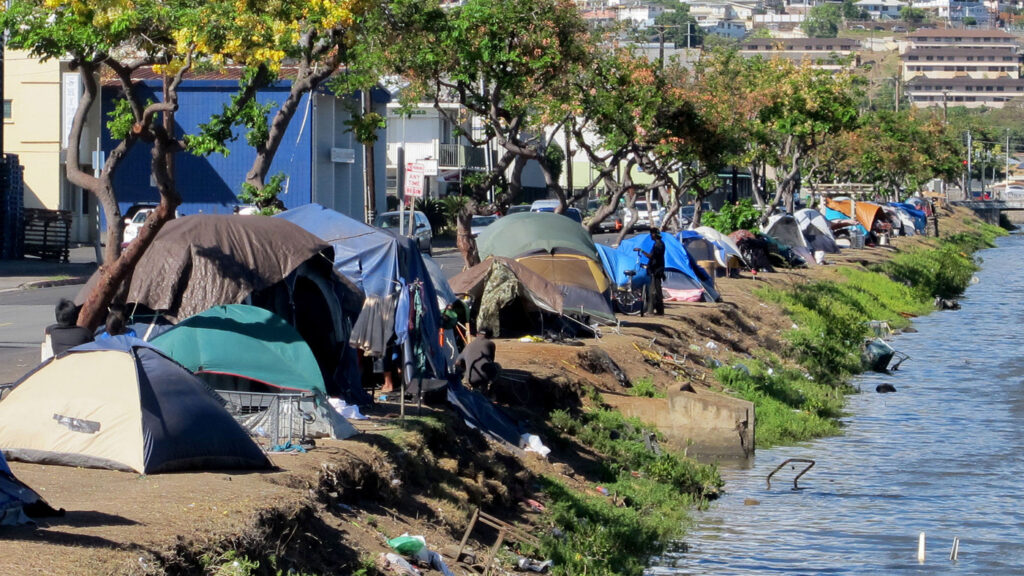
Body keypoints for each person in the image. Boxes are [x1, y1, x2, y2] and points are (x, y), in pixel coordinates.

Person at [455, 327, 498, 394]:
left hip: (470, 379)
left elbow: (458, 362)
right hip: (484, 378)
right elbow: (491, 360)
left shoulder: (468, 346)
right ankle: (490, 391)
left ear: (477, 334)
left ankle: (472, 386)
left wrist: (464, 372)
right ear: (490, 335)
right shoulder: (491, 344)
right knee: (497, 366)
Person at [640, 229, 666, 316]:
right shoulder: (659, 243)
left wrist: (641, 251)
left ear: (654, 234)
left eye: (651, 234)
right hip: (658, 269)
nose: (650, 236)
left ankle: (653, 310)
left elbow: (651, 256)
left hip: (656, 270)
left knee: (653, 290)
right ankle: (659, 310)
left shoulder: (658, 245)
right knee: (657, 290)